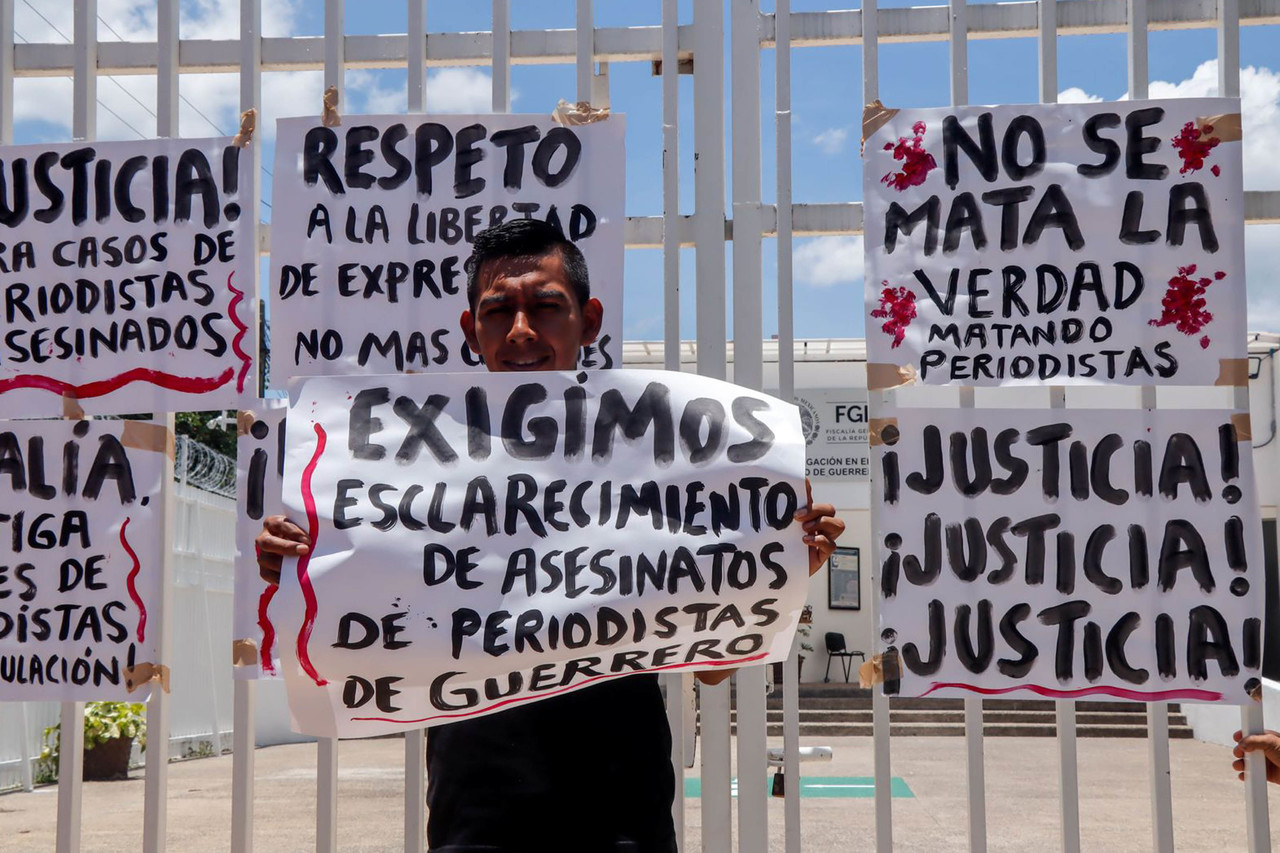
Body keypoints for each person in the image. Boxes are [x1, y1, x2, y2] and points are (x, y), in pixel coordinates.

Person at [255, 218, 847, 852]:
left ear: (588, 321)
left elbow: (711, 670)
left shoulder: (658, 457)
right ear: (470, 330)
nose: (520, 330)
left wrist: (773, 567)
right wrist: (305, 567)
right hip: (474, 812)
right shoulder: (405, 465)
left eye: (545, 307)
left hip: (621, 814)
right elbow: (359, 626)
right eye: (497, 311)